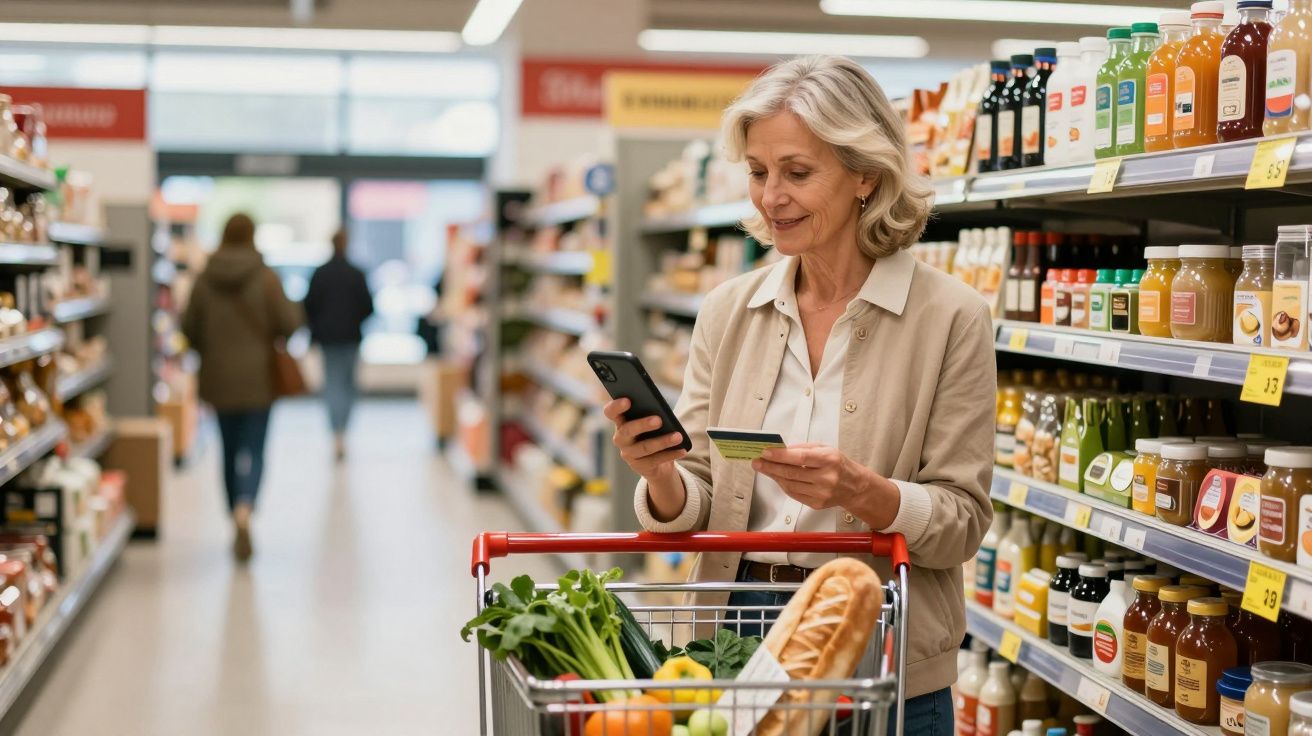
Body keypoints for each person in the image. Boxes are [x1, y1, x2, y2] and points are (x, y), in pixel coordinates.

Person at [602, 56, 995, 736]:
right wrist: (660, 474)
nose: (769, 196)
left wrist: (864, 492)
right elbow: (696, 495)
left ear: (865, 175)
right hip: (737, 640)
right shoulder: (729, 310)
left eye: (797, 172)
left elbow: (963, 519)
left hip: (880, 641)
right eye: (758, 172)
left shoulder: (950, 316)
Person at [182, 213, 304, 562]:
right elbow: (290, 323)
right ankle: (246, 509)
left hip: (219, 379)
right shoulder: (266, 278)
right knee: (256, 448)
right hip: (260, 379)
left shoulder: (205, 279)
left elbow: (189, 328)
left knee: (229, 450)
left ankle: (233, 510)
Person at [303, 229, 374, 460]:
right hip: (351, 337)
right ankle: (342, 429)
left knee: (332, 385)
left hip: (328, 338)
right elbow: (368, 306)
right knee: (349, 385)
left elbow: (308, 306)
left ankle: (336, 432)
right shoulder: (356, 274)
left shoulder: (320, 274)